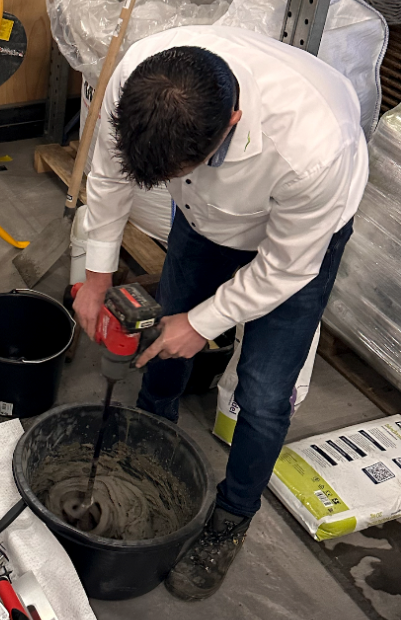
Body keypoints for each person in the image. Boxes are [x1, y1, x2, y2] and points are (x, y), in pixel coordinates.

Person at [71, 25, 368, 601]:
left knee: (263, 391)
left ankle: (231, 518)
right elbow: (108, 175)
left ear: (230, 123)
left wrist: (204, 323)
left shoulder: (313, 149)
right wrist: (98, 273)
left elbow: (283, 269)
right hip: (204, 217)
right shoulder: (139, 77)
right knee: (164, 332)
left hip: (298, 239)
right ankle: (153, 431)